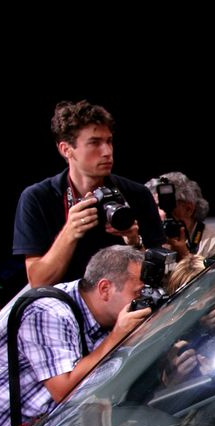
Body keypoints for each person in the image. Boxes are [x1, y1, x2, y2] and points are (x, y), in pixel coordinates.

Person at [0, 246, 150, 426]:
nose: (142, 301)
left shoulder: (104, 323)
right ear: (105, 289)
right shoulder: (50, 311)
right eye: (138, 292)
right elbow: (64, 391)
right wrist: (117, 337)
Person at [13, 100, 164, 287]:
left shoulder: (137, 194)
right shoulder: (37, 198)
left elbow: (161, 273)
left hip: (128, 298)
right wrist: (70, 232)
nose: (107, 152)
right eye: (94, 143)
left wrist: (135, 242)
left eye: (109, 141)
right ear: (66, 149)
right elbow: (39, 282)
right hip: (68, 302)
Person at [145, 171, 215, 261]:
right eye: (151, 206)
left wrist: (185, 256)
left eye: (158, 206)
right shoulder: (148, 241)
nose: (152, 213)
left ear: (188, 209)